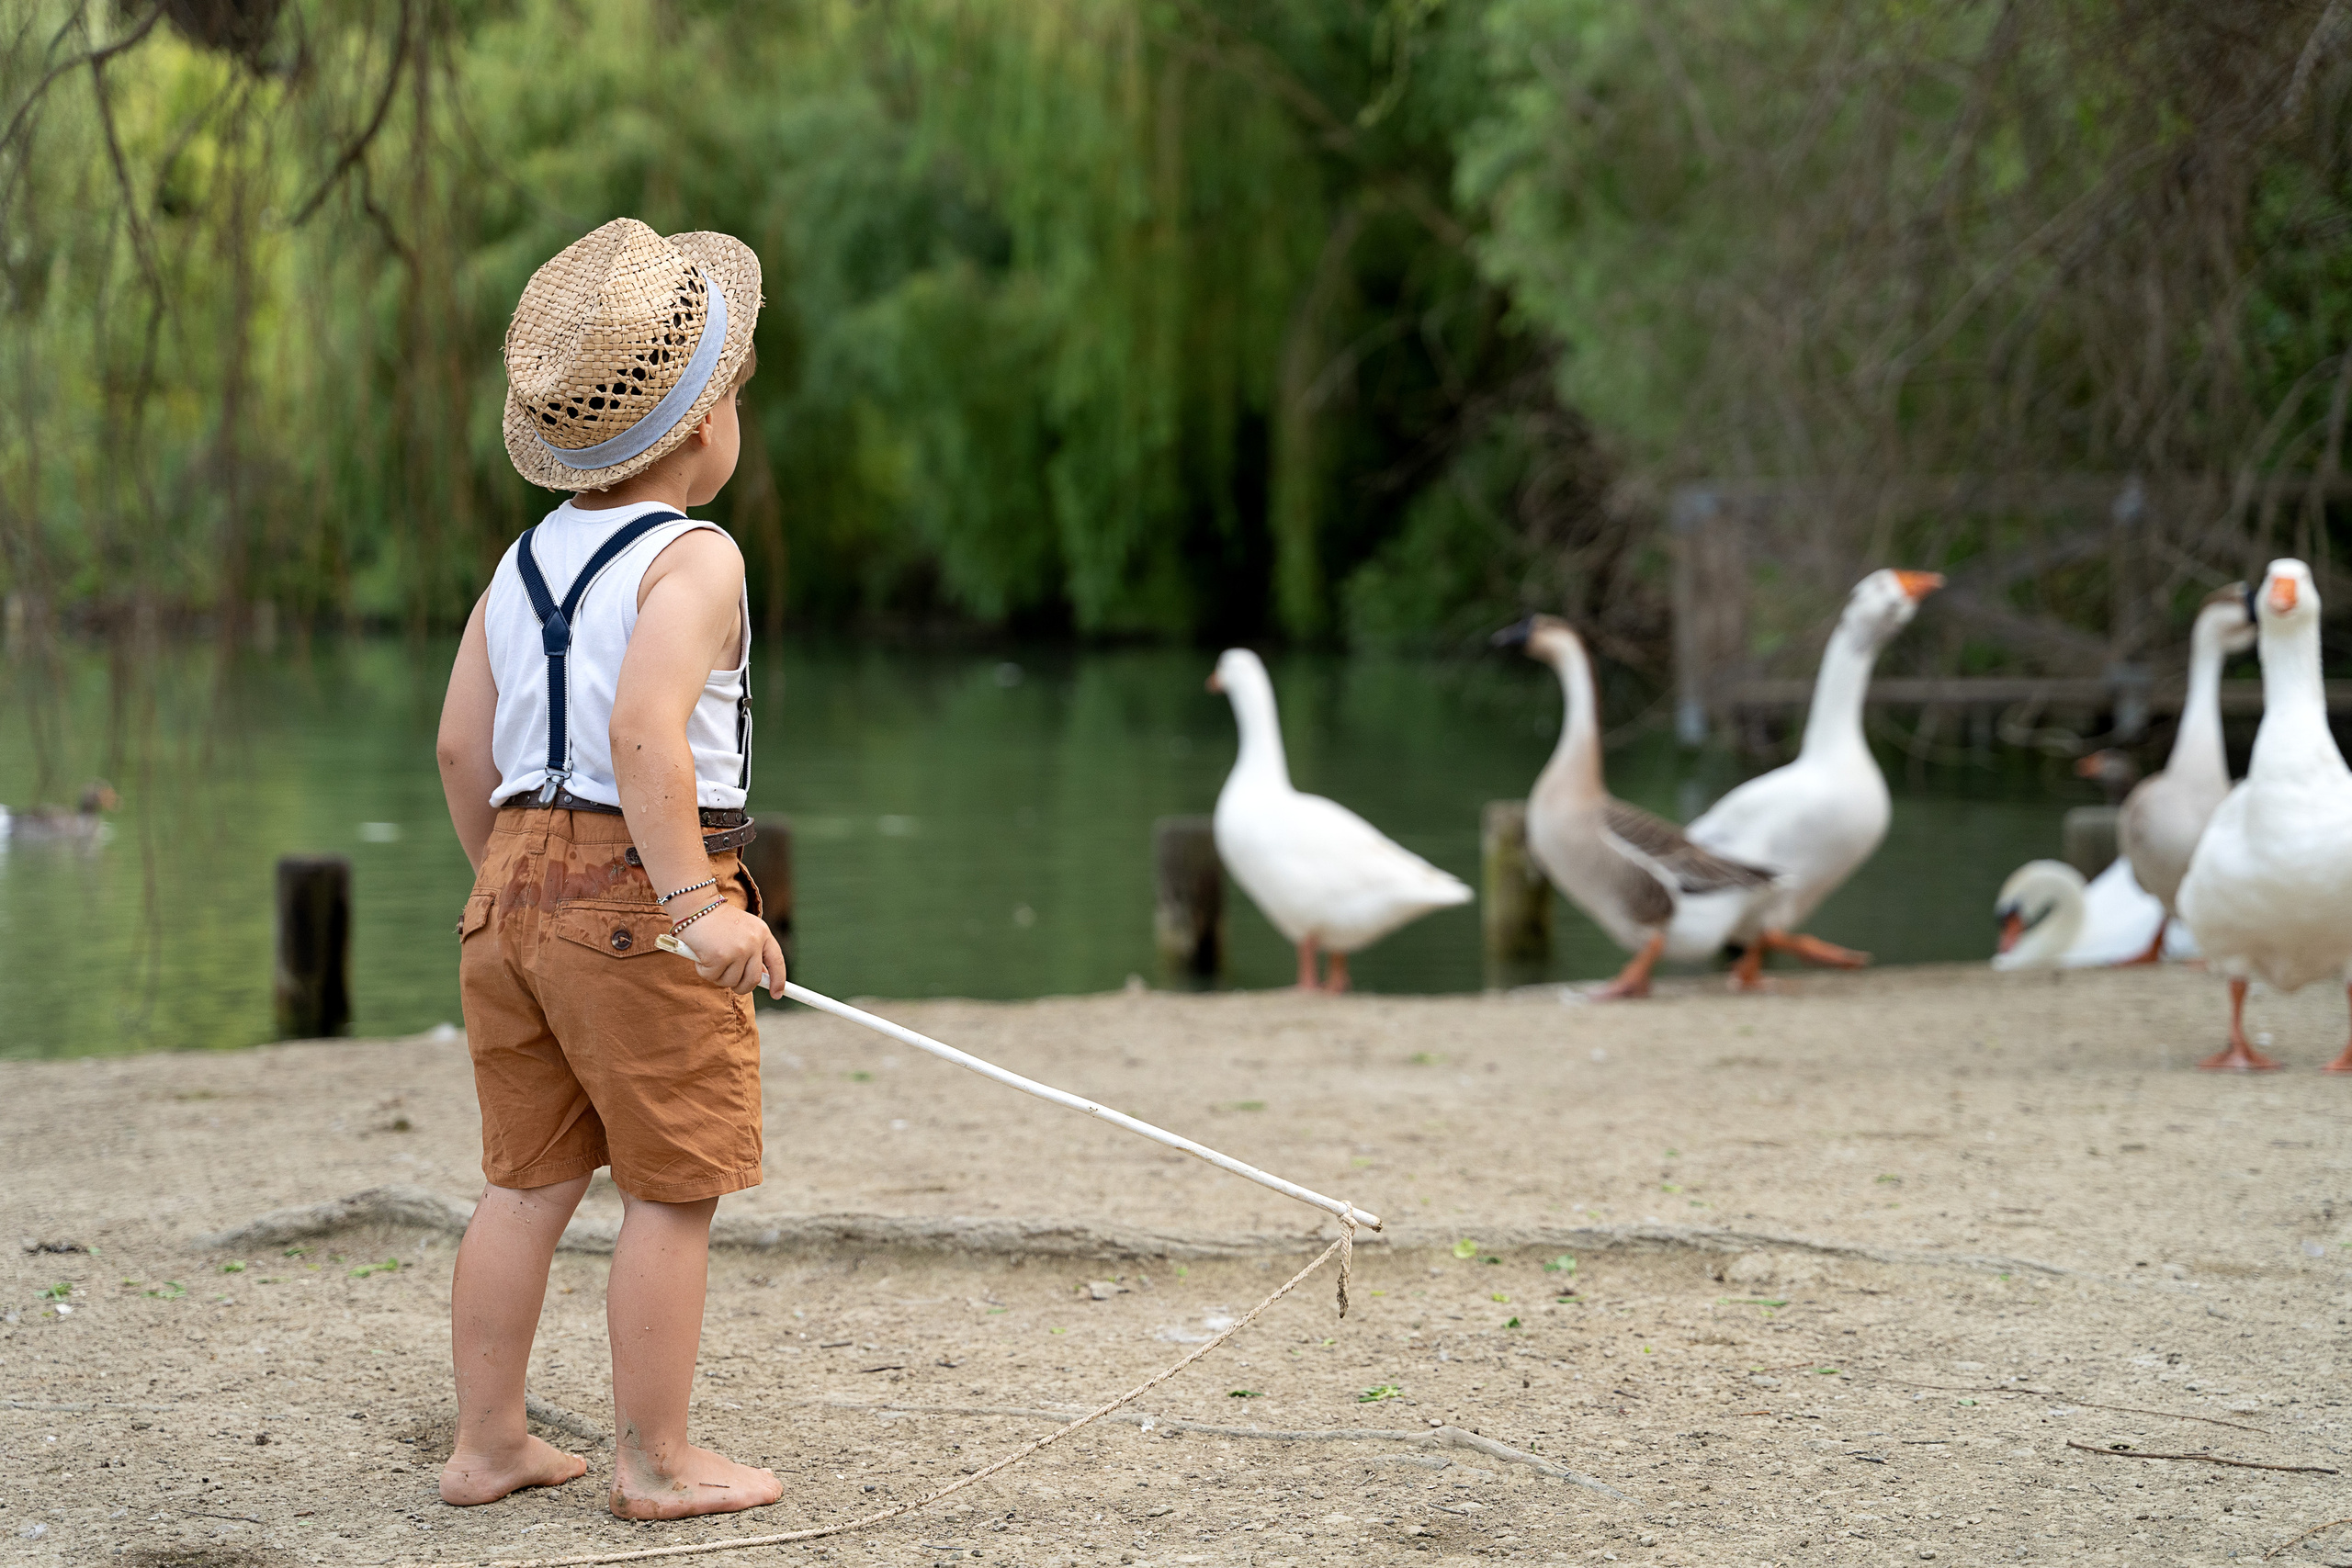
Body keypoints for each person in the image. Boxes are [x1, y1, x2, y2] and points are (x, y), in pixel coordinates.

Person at [433, 218, 788, 1519]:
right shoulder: (697, 558)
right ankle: (656, 1459)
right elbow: (646, 728)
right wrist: (693, 902)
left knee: (524, 1180)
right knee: (672, 1185)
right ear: (702, 432)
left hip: (509, 884)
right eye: (736, 396)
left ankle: (487, 1445)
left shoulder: (515, 566)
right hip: (644, 892)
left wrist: (513, 887)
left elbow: (461, 744)